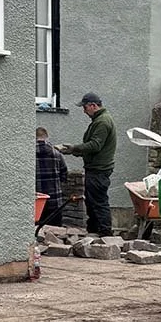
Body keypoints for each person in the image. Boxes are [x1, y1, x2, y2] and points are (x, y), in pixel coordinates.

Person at [58, 92, 117, 236]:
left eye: (85, 107)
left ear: (93, 105)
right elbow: (93, 147)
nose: (84, 111)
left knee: (98, 201)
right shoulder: (100, 120)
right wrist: (74, 151)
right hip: (97, 168)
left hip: (99, 169)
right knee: (92, 201)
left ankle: (104, 231)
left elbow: (95, 145)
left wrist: (74, 148)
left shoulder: (102, 122)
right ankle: (95, 230)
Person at [35, 126, 68, 227]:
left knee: (36, 231)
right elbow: (64, 174)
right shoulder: (57, 154)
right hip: (54, 201)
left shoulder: (28, 154)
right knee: (55, 232)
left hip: (36, 201)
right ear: (46, 137)